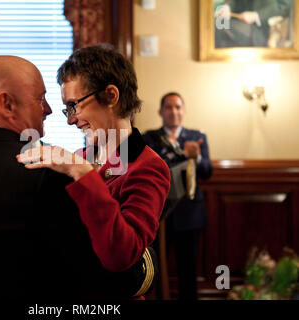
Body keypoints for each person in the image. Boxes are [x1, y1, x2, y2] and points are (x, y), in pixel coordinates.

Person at [17, 45, 171, 299]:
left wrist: (82, 174)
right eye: (68, 109)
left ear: (111, 95)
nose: (70, 119)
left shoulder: (148, 167)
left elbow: (121, 255)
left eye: (74, 105)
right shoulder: (80, 157)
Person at [142, 92, 213, 300]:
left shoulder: (197, 137)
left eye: (178, 107)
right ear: (160, 112)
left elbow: (208, 171)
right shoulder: (148, 137)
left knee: (188, 269)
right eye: (169, 107)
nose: (174, 112)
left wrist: (196, 157)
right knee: (154, 268)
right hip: (158, 213)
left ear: (184, 111)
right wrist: (175, 153)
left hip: (189, 212)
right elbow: (146, 168)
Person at [215, 0, 291, 48]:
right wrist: (227, 6)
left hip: (264, 29)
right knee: (217, 25)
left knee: (217, 30)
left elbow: (285, 6)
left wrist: (256, 15)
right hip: (239, 23)